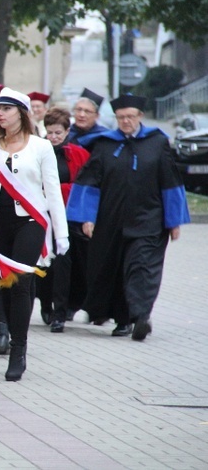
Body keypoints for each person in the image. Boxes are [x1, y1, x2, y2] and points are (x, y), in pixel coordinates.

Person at [67, 94, 190, 341]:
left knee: (141, 267)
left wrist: (173, 220)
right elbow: (90, 182)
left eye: (130, 117)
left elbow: (170, 180)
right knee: (113, 269)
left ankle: (141, 316)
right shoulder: (105, 145)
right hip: (110, 221)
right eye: (121, 117)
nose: (125, 121)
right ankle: (122, 320)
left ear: (140, 117)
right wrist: (87, 217)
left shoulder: (157, 143)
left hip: (149, 220)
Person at [0, 88, 68, 381]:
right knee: (2, 285)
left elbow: (52, 190)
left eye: (6, 108)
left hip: (31, 221)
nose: (0, 113)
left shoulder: (41, 147)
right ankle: (5, 330)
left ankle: (19, 349)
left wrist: (61, 234)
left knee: (20, 282)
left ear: (21, 113)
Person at [33, 108, 89, 332]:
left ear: (67, 131)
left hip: (67, 217)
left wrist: (57, 191)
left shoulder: (78, 154)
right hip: (42, 215)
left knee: (64, 265)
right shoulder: (37, 151)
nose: (54, 137)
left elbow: (83, 185)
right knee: (44, 262)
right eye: (50, 132)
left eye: (58, 132)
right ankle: (46, 303)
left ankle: (60, 311)